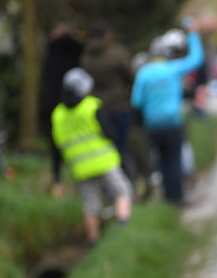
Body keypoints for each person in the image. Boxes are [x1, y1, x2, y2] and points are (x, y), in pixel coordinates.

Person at [51, 68, 132, 246]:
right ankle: (123, 229)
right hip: (104, 162)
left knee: (90, 205)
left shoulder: (57, 114)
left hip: (79, 168)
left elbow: (56, 149)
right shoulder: (92, 106)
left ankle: (93, 241)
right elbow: (111, 133)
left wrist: (57, 178)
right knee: (122, 191)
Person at [131, 23, 204, 205]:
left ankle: (167, 199)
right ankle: (178, 198)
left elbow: (136, 102)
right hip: (172, 122)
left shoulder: (143, 74)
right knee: (174, 160)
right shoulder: (173, 69)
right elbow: (197, 59)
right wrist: (193, 34)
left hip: (152, 125)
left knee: (161, 161)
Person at [79, 20, 137, 186]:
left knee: (104, 148)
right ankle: (126, 188)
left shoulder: (85, 58)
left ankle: (107, 188)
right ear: (107, 35)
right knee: (122, 148)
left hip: (96, 110)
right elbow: (131, 76)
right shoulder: (117, 54)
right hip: (118, 106)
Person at [39, 23, 84, 197]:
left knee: (56, 144)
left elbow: (45, 77)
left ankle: (57, 180)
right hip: (74, 103)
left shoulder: (50, 52)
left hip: (53, 104)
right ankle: (80, 180)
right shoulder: (77, 50)